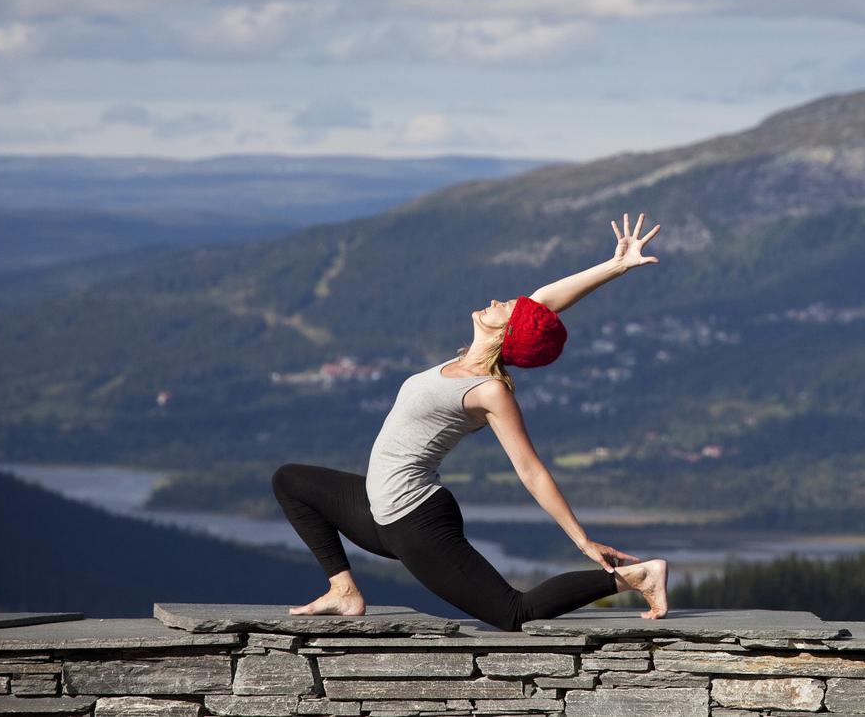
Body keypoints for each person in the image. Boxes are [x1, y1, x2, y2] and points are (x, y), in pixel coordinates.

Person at [272, 212, 668, 631]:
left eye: (506, 308)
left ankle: (636, 576)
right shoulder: (465, 361)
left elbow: (530, 470)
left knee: (514, 613)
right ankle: (344, 591)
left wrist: (581, 539)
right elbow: (545, 303)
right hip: (376, 512)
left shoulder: (489, 390)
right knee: (290, 481)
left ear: (507, 334)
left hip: (415, 520)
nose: (498, 301)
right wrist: (617, 265)